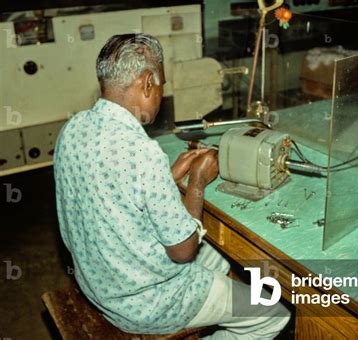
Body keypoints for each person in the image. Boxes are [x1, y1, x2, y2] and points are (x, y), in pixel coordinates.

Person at [54, 33, 290, 339]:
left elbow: (113, 191)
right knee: (273, 312)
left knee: (222, 255)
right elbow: (183, 250)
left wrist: (168, 178)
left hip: (99, 282)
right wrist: (196, 183)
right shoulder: (142, 151)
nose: (161, 95)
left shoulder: (73, 129)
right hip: (147, 303)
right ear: (147, 82)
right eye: (161, 84)